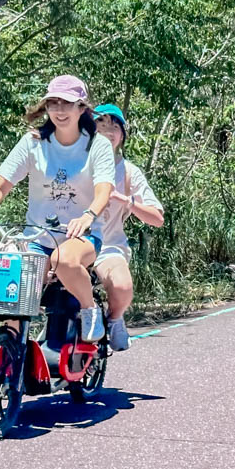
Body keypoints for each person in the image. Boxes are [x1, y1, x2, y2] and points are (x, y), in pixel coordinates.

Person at [0, 75, 115, 341]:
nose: (59, 110)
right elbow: (2, 184)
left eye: (67, 103)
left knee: (64, 259)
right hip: (38, 237)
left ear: (82, 108)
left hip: (82, 236)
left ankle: (89, 309)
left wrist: (88, 216)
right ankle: (12, 352)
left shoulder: (96, 145)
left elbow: (104, 190)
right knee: (14, 286)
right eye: (53, 103)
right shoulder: (33, 143)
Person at [92, 104, 164, 351]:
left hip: (106, 247)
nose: (107, 131)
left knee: (122, 286)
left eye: (114, 126)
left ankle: (114, 320)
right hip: (65, 243)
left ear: (122, 135)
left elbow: (157, 218)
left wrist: (127, 201)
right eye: (101, 124)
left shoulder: (128, 172)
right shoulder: (73, 163)